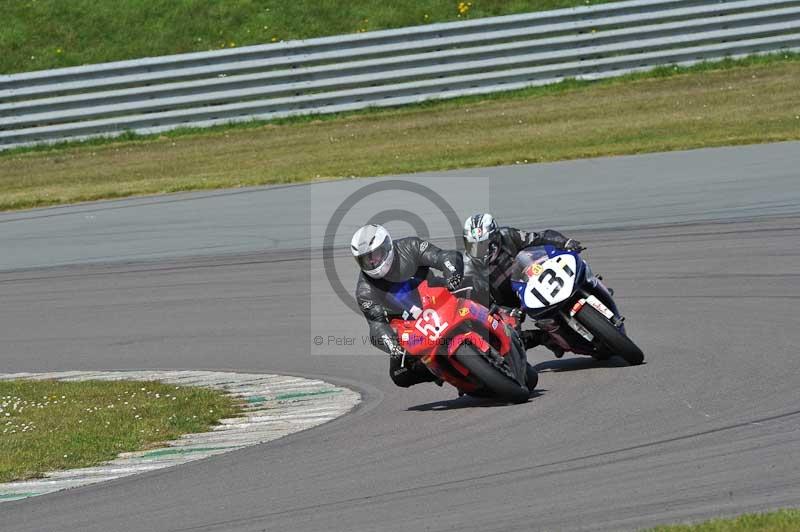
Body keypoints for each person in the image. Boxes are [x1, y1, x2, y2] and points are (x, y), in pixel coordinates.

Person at [352, 224, 464, 388]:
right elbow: (376, 326)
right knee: (399, 373)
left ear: (386, 246)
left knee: (474, 281)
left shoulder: (410, 247)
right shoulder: (364, 290)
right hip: (413, 328)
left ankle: (506, 317)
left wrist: (453, 275)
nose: (372, 262)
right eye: (365, 259)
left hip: (440, 298)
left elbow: (443, 257)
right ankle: (442, 372)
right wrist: (394, 347)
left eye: (375, 255)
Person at [462, 213, 582, 352]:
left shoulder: (508, 235)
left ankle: (589, 286)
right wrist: (500, 310)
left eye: (484, 245)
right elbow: (476, 299)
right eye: (474, 246)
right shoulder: (468, 266)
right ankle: (543, 338)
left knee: (569, 265)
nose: (480, 251)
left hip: (531, 279)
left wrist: (564, 242)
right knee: (509, 338)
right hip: (507, 303)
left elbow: (538, 238)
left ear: (495, 238)